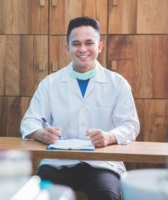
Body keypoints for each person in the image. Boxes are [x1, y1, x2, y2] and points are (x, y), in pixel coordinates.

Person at [20, 16, 140, 200]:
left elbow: (130, 125)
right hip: (57, 163)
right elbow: (29, 121)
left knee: (106, 195)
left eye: (89, 43)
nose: (82, 49)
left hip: (103, 164)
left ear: (99, 46)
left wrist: (110, 136)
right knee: (42, 194)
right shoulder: (50, 83)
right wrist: (41, 133)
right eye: (76, 44)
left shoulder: (117, 83)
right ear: (67, 47)